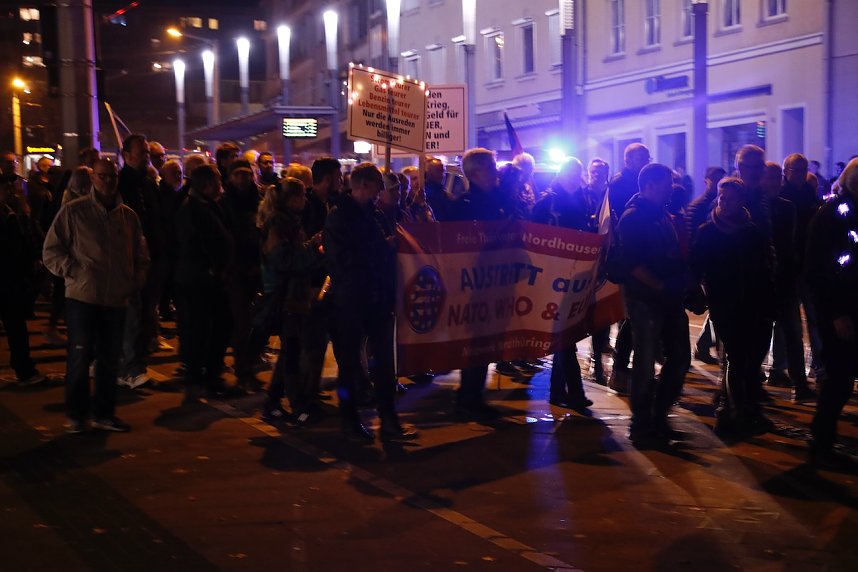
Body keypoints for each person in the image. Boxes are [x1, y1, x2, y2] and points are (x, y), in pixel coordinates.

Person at [43, 158, 150, 433]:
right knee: (80, 357)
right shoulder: (74, 212)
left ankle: (104, 413)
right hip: (82, 297)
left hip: (116, 298)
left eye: (112, 176)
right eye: (103, 176)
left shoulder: (128, 216)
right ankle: (77, 414)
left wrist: (135, 281)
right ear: (93, 179)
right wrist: (74, 271)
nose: (108, 181)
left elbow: (141, 255)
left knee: (109, 359)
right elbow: (51, 251)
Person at [324, 162, 417, 441]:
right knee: (351, 364)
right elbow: (343, 260)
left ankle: (389, 419)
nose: (381, 193)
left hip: (377, 298)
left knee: (384, 364)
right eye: (378, 187)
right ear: (363, 185)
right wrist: (381, 249)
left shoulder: (374, 214)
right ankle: (349, 420)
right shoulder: (339, 217)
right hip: (352, 300)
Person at [690, 177, 776, 439]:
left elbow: (765, 268)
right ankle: (730, 411)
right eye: (722, 197)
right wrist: (696, 293)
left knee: (751, 358)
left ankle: (746, 408)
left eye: (731, 198)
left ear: (741, 201)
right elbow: (695, 266)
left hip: (754, 301)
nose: (725, 203)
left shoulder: (752, 232)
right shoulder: (708, 231)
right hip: (724, 302)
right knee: (735, 356)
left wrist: (770, 299)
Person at [616, 163, 691, 446]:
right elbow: (632, 263)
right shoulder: (634, 217)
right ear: (648, 186)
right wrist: (661, 286)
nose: (670, 189)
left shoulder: (663, 215)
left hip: (669, 299)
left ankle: (660, 416)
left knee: (680, 358)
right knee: (645, 364)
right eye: (665, 184)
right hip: (646, 301)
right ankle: (642, 425)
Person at [531, 157, 598, 410]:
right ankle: (575, 392)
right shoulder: (547, 202)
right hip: (554, 275)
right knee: (565, 335)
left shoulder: (585, 200)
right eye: (569, 173)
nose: (573, 178)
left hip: (577, 275)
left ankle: (558, 391)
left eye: (576, 174)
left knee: (566, 334)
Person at [804, 158, 858, 468]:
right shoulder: (831, 216)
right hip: (840, 312)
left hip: (852, 306)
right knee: (838, 380)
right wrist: (837, 313)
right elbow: (818, 270)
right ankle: (821, 443)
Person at [449, 149, 510, 417]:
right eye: (491, 167)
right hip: (474, 286)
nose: (496, 172)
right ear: (475, 173)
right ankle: (468, 397)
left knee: (488, 341)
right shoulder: (463, 206)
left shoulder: (497, 200)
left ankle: (475, 395)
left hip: (496, 282)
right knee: (475, 342)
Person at [258, 178, 324, 424]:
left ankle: (273, 402)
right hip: (286, 298)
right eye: (301, 196)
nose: (305, 201)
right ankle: (297, 406)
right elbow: (284, 261)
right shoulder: (279, 225)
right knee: (292, 353)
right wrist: (313, 247)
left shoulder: (289, 223)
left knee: (290, 351)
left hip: (295, 296)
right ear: (291, 199)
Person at [174, 164, 235, 397]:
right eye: (218, 181)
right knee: (200, 330)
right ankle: (201, 378)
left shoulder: (207, 205)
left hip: (209, 280)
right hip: (198, 282)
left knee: (217, 326)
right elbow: (194, 244)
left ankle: (209, 375)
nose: (221, 185)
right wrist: (212, 269)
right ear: (208, 185)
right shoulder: (191, 209)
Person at [116, 134, 161, 389]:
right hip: (132, 258)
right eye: (141, 152)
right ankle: (130, 367)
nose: (146, 156)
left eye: (147, 152)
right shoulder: (122, 184)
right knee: (132, 315)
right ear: (126, 154)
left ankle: (136, 364)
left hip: (152, 255)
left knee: (145, 315)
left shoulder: (147, 181)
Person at [607, 143, 652, 394]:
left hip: (645, 254)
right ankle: (621, 367)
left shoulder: (644, 181)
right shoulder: (620, 183)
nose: (645, 160)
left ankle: (635, 365)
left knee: (638, 316)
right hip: (628, 255)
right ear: (628, 160)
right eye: (641, 157)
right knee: (630, 316)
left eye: (647, 157)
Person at [781, 153, 825, 383]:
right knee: (790, 326)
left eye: (803, 169)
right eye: (795, 169)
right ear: (786, 171)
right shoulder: (781, 195)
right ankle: (791, 374)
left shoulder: (810, 195)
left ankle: (817, 366)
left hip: (808, 266)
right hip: (789, 267)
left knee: (815, 319)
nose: (799, 173)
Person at [0, 173, 46, 387]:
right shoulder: (6, 214)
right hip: (8, 279)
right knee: (16, 327)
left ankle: (24, 368)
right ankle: (24, 370)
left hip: (11, 278)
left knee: (16, 326)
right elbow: (14, 248)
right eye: (4, 186)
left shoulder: (9, 211)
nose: (9, 189)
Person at [220, 159, 263, 388]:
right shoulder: (225, 202)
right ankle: (243, 368)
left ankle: (247, 362)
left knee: (255, 318)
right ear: (230, 177)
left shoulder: (257, 198)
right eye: (238, 175)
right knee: (241, 320)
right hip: (235, 268)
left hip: (255, 266)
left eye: (247, 174)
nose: (243, 179)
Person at [688, 167, 727, 365]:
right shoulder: (699, 206)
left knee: (717, 310)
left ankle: (703, 345)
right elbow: (693, 234)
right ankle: (706, 347)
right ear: (706, 181)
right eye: (715, 179)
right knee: (717, 310)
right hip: (707, 266)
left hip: (715, 266)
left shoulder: (719, 204)